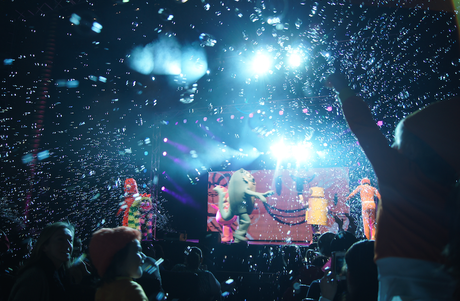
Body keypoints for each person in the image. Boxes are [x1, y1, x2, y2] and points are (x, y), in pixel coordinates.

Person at [326, 74, 460, 300]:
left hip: (397, 277)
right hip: (445, 276)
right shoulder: (452, 191)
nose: (394, 147)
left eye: (399, 142)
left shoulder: (399, 172)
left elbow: (365, 128)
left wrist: (344, 91)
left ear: (414, 148)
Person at [8, 222, 75, 301]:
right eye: (61, 239)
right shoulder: (34, 277)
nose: (68, 245)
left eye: (70, 240)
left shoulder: (62, 275)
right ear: (44, 246)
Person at [89, 226, 148, 301]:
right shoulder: (132, 290)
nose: (144, 256)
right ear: (120, 257)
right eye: (138, 250)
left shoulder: (102, 290)